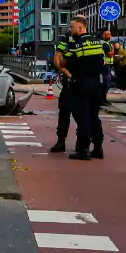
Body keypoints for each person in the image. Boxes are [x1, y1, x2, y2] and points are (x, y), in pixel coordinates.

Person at [58, 15, 106, 160]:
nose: (69, 29)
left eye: (71, 27)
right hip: (98, 83)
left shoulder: (75, 44)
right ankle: (98, 147)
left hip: (81, 83)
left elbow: (62, 63)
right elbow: (105, 59)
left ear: (80, 28)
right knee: (94, 116)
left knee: (82, 116)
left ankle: (83, 149)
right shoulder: (99, 42)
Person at [49, 31, 74, 153]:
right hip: (73, 83)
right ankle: (62, 141)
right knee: (65, 113)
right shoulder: (64, 44)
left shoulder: (85, 42)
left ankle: (83, 145)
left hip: (76, 83)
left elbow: (57, 61)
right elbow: (57, 61)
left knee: (70, 114)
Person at [100, 30, 114, 105]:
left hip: (107, 65)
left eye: (110, 34)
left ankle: (104, 99)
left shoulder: (106, 43)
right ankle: (102, 100)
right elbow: (110, 54)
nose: (109, 36)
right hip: (105, 65)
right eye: (107, 34)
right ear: (103, 35)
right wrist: (112, 48)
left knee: (107, 83)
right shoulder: (105, 44)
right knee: (106, 83)